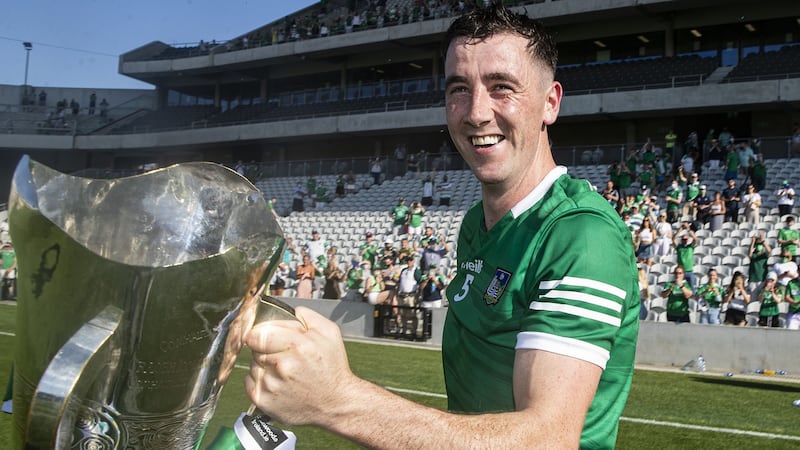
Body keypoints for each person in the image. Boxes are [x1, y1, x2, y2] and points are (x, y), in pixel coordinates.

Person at [244, 6, 639, 449]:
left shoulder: (581, 235)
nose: (475, 112)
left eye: (502, 88)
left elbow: (548, 439)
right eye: (459, 89)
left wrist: (336, 400)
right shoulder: (476, 224)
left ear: (550, 102)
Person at [672, 223, 697, 288]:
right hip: (680, 272)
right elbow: (673, 239)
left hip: (689, 271)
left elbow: (695, 239)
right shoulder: (679, 247)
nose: (684, 241)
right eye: (683, 239)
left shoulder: (690, 247)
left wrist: (688, 229)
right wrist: (680, 230)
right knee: (679, 287)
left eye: (686, 239)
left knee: (691, 289)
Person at [747, 231, 772, 295]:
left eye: (760, 245)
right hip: (752, 280)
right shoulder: (753, 255)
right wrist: (753, 241)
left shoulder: (764, 255)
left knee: (761, 299)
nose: (759, 246)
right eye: (758, 244)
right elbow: (749, 253)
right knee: (752, 301)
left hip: (762, 280)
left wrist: (763, 241)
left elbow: (769, 251)